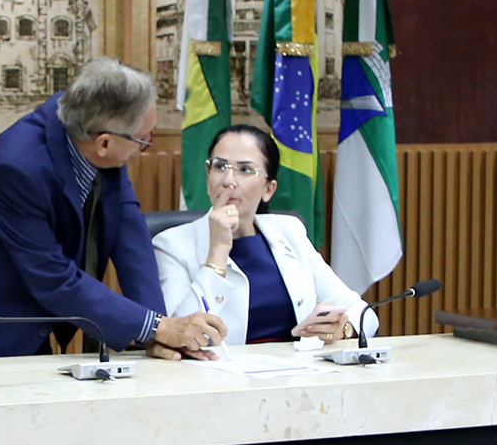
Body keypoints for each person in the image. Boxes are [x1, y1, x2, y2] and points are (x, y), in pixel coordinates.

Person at [0, 59, 225, 361]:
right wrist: (158, 327)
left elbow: (130, 234)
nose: (147, 145)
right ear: (104, 143)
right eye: (143, 139)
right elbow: (54, 278)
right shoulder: (14, 168)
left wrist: (157, 332)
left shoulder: (93, 122)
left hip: (23, 335)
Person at [153, 125, 373, 346]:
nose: (228, 180)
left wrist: (343, 329)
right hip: (220, 367)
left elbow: (363, 313)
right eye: (220, 166)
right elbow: (179, 335)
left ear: (268, 189)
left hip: (296, 366)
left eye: (245, 170)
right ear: (208, 179)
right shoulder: (171, 245)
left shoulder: (289, 231)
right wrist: (218, 251)